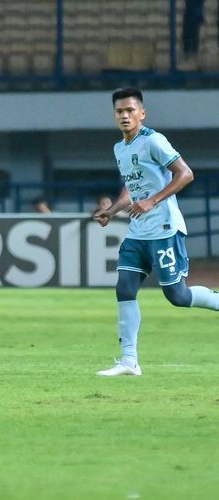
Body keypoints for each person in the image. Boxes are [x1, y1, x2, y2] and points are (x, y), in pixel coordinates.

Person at [93, 87, 219, 377]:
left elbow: (185, 173)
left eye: (130, 110)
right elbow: (132, 187)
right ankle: (129, 361)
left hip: (164, 228)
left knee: (177, 296)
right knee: (124, 288)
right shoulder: (120, 148)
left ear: (142, 113)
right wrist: (112, 211)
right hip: (138, 231)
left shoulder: (154, 141)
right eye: (119, 112)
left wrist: (152, 201)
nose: (124, 116)